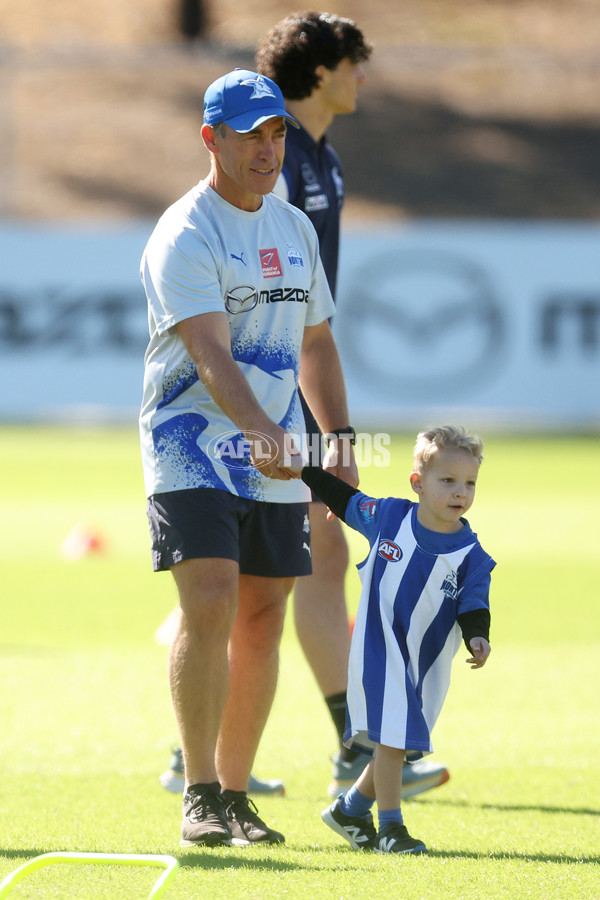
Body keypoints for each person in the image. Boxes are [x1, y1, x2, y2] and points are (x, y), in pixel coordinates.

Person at [140, 67, 358, 847]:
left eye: (276, 134)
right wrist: (263, 431)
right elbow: (209, 355)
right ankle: (198, 790)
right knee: (210, 600)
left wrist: (337, 438)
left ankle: (234, 795)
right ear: (212, 139)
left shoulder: (293, 227)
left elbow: (318, 341)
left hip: (282, 453)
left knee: (264, 617)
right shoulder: (186, 232)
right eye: (250, 135)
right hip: (190, 444)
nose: (268, 149)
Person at [256, 11, 450, 800]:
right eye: (352, 63)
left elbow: (315, 314)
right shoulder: (277, 155)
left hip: (297, 379)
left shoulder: (321, 159)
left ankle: (339, 737)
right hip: (265, 386)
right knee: (294, 561)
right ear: (320, 69)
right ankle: (352, 740)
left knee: (292, 563)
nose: (362, 76)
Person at [281, 425, 494, 854]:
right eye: (448, 481)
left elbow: (474, 604)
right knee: (394, 737)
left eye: (469, 483)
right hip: (379, 651)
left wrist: (478, 638)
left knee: (396, 743)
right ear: (418, 483)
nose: (460, 492)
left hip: (425, 666)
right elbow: (345, 500)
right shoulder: (391, 517)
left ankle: (350, 808)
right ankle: (391, 830)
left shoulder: (471, 553)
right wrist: (304, 472)